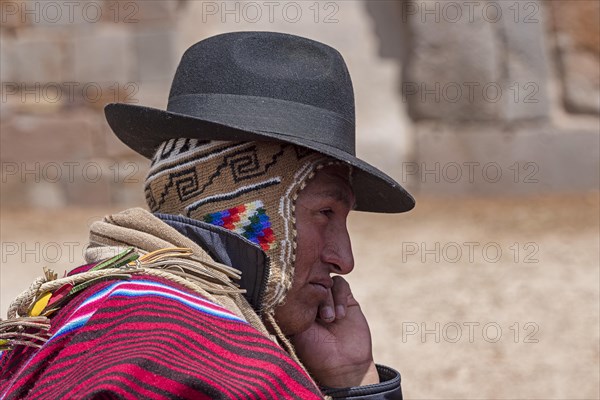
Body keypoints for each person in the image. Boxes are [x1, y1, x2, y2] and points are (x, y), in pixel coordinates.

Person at [0, 31, 415, 399]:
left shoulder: (84, 308)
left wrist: (349, 376)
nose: (345, 259)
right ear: (241, 208)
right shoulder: (207, 366)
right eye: (325, 212)